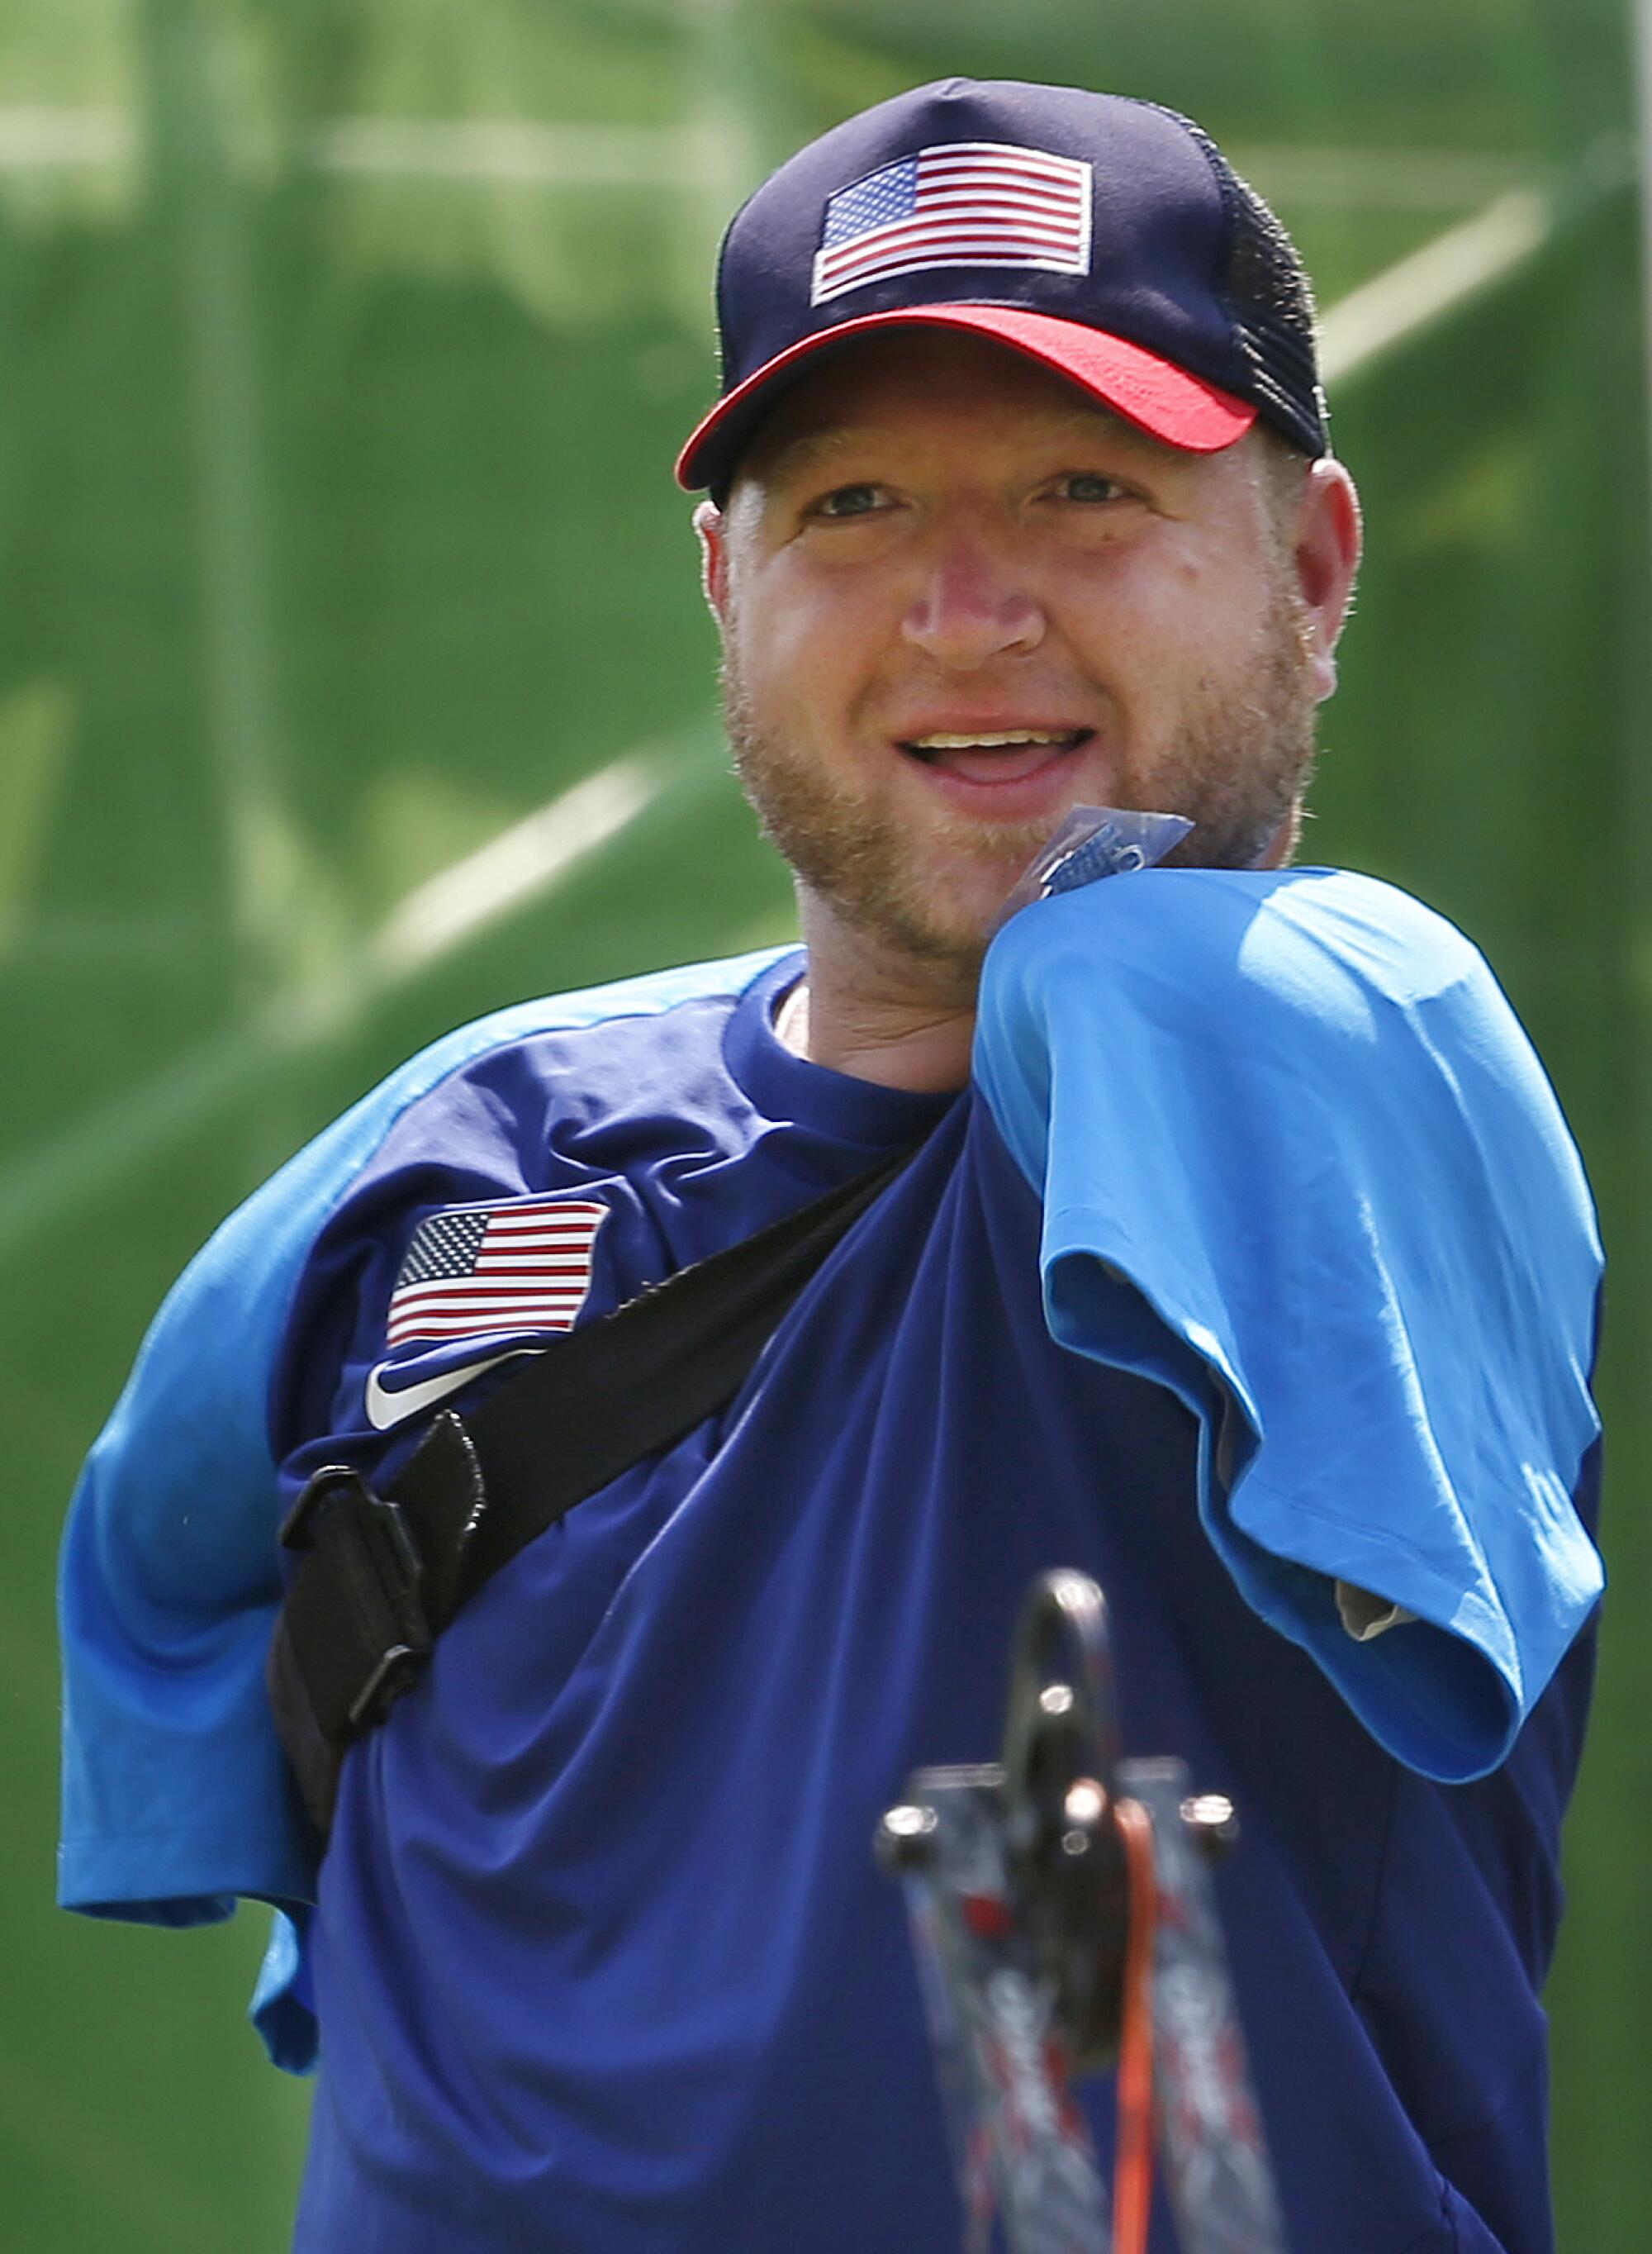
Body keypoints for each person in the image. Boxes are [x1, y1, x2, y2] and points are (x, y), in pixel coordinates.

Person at [59, 78, 1604, 2254]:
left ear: (1318, 563)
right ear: (725, 583)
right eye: (853, 503)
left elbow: (1141, 986)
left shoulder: (1342, 1026)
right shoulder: (438, 1165)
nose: (964, 609)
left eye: (1089, 486)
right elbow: (157, 1560)